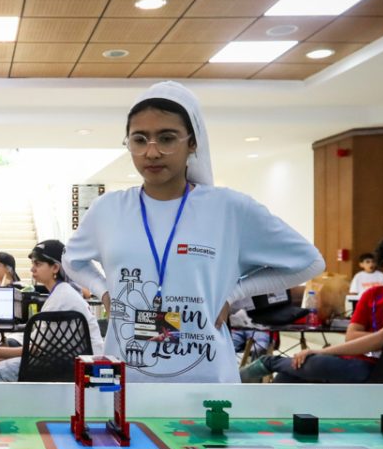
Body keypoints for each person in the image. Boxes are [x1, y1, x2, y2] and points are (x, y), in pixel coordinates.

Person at [63, 81, 324, 383]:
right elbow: (72, 260)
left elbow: (309, 262)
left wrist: (234, 294)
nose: (152, 152)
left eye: (167, 138)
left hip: (207, 379)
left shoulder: (228, 208)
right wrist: (105, 291)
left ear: (193, 143)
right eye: (139, 139)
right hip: (126, 378)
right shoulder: (108, 209)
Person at [241, 233, 383, 383]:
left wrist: (322, 351)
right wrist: (382, 338)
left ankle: (270, 362)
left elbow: (381, 339)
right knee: (291, 374)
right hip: (355, 361)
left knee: (314, 362)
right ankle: (275, 416)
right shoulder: (372, 294)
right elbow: (352, 336)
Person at [0, 240, 104, 382]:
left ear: (55, 268)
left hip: (71, 366)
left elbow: (35, 349)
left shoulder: (60, 299)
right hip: (73, 361)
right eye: (32, 264)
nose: (32, 269)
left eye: (38, 264)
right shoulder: (64, 292)